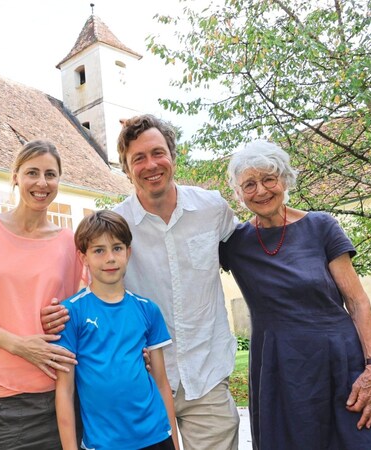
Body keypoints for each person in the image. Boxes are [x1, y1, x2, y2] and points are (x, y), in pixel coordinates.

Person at [44, 114, 240, 450]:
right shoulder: (117, 227)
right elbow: (89, 287)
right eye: (138, 158)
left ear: (173, 156)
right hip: (140, 388)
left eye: (158, 153)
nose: (151, 165)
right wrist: (58, 314)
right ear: (125, 168)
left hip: (206, 379)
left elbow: (250, 253)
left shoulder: (212, 209)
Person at [219, 140, 371, 449]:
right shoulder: (234, 242)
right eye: (249, 184)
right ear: (238, 194)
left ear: (285, 180)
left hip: (341, 360)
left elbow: (357, 301)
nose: (260, 191)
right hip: (279, 370)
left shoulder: (321, 226)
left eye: (268, 179)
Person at [0, 140, 83, 449]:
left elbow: (89, 309)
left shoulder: (69, 241)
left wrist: (68, 313)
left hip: (61, 395)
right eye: (32, 173)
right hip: (4, 402)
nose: (42, 182)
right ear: (15, 176)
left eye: (50, 174)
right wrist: (21, 345)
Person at [55, 210, 180, 450]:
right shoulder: (71, 312)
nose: (110, 258)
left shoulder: (147, 309)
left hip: (156, 436)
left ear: (128, 252)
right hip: (104, 442)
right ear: (84, 257)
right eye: (99, 250)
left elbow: (162, 382)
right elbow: (64, 391)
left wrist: (174, 443)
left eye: (117, 248)